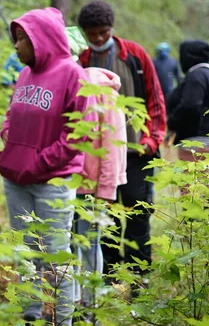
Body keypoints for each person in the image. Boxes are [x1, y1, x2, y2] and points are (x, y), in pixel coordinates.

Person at [0, 7, 93, 325]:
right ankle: (31, 314)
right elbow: (13, 112)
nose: (16, 46)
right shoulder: (24, 73)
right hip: (16, 178)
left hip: (53, 180)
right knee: (25, 251)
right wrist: (8, 133)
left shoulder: (72, 73)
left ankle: (63, 319)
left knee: (55, 254)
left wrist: (39, 162)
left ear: (41, 40)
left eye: (21, 38)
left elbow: (77, 135)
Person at [77, 0, 166, 284]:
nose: (99, 38)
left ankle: (140, 278)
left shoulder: (135, 55)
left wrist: (151, 140)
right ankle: (109, 278)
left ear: (112, 28)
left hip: (137, 152)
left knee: (138, 215)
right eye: (93, 34)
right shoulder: (80, 59)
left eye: (103, 32)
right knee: (105, 217)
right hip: (98, 155)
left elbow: (155, 98)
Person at [75, 67, 127, 306]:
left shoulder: (105, 94)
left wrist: (105, 190)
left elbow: (112, 146)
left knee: (90, 242)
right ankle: (73, 300)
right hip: (69, 182)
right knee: (70, 242)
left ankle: (90, 304)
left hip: (93, 187)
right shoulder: (70, 84)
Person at [166, 40, 209, 180]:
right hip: (208, 137)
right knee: (205, 186)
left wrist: (172, 121)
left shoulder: (197, 75)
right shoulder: (208, 73)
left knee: (193, 190)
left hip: (197, 140)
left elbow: (191, 105)